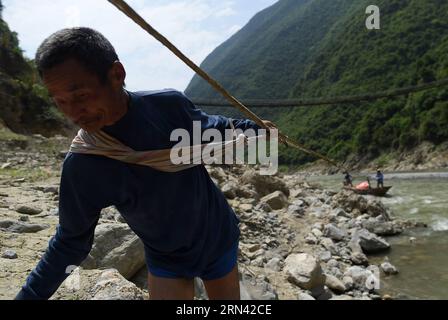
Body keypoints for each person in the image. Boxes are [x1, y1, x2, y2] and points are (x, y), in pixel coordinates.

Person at [15, 27, 276, 300]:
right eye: (61, 102)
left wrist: (254, 129)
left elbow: (214, 126)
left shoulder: (168, 108)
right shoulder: (84, 165)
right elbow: (70, 243)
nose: (73, 113)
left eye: (80, 96)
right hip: (166, 257)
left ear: (116, 75)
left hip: (217, 239)